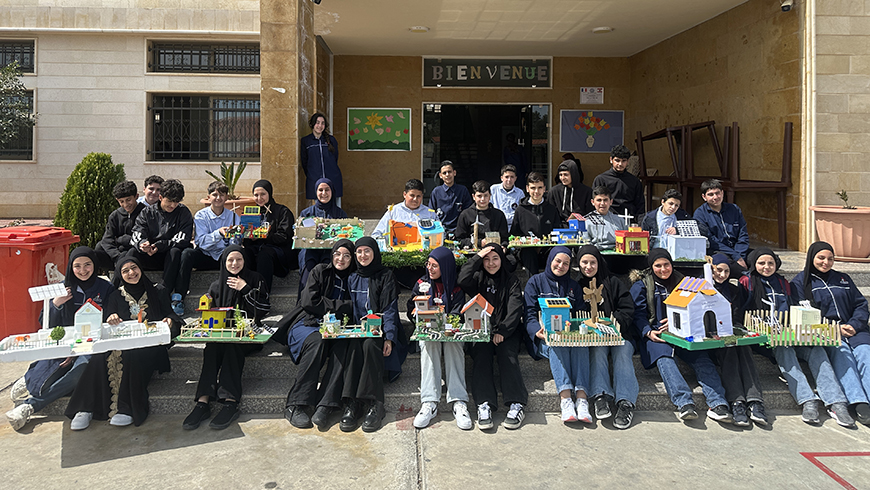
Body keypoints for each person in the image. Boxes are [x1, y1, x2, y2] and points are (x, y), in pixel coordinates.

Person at [739, 247, 854, 427]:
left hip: (789, 333)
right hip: (763, 337)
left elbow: (793, 308)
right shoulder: (747, 282)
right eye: (762, 263)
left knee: (817, 349)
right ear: (754, 264)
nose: (767, 267)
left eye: (770, 263)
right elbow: (741, 312)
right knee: (784, 348)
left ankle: (836, 402)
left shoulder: (783, 283)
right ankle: (807, 399)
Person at [63, 257, 182, 430]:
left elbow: (173, 316)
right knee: (99, 357)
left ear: (140, 268)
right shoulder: (116, 295)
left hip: (150, 348)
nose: (131, 273)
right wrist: (110, 317)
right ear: (120, 274)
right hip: (120, 345)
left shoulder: (158, 291)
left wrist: (169, 321)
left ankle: (127, 408)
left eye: (134, 268)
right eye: (125, 271)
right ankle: (84, 408)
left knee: (133, 354)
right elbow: (106, 322)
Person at [6, 247, 117, 431]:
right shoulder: (63, 287)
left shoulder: (105, 288)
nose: (83, 270)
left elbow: (109, 318)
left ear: (95, 265)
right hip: (63, 342)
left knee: (80, 371)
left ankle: (29, 406)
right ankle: (27, 377)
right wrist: (56, 303)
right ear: (71, 267)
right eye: (77, 266)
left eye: (88, 265)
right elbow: (45, 322)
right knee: (46, 376)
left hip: (91, 346)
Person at [630, 249, 734, 424]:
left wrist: (678, 321)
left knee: (701, 358)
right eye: (658, 266)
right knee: (665, 358)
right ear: (651, 267)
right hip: (657, 332)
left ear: (672, 265)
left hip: (684, 331)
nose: (663, 269)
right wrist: (647, 331)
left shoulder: (684, 282)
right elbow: (637, 313)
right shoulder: (642, 285)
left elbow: (698, 306)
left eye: (666, 265)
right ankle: (684, 402)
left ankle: (718, 403)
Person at [182, 245, 270, 430]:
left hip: (249, 336)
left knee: (232, 346)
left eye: (239, 259)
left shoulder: (255, 279)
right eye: (230, 260)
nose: (234, 263)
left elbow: (262, 310)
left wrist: (246, 289)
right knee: (212, 348)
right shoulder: (216, 285)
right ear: (224, 262)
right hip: (222, 335)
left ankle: (230, 402)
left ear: (245, 260)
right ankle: (203, 402)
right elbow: (209, 314)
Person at [793, 242, 870, 426]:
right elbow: (803, 315)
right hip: (826, 332)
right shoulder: (800, 282)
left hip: (854, 329)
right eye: (821, 258)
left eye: (830, 258)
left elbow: (860, 304)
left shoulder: (843, 278)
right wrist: (833, 328)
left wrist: (853, 324)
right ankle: (859, 402)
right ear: (812, 258)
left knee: (865, 353)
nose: (826, 262)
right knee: (842, 354)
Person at [282, 239, 355, 430]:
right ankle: (296, 404)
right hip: (308, 322)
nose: (341, 259)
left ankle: (325, 404)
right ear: (332, 255)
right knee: (317, 342)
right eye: (338, 254)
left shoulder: (354, 278)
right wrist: (344, 306)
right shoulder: (320, 270)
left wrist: (328, 304)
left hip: (338, 328)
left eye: (347, 255)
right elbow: (309, 302)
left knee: (343, 346)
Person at [458, 245, 527, 430]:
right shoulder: (478, 278)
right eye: (486, 259)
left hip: (507, 330)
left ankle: (516, 403)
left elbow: (515, 309)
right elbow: (462, 278)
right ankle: (484, 403)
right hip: (481, 329)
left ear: (502, 260)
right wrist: (477, 256)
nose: (491, 263)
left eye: (495, 258)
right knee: (481, 352)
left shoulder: (511, 280)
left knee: (507, 354)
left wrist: (502, 332)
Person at [339, 237, 405, 432]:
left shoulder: (385, 275)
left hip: (381, 330)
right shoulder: (352, 277)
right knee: (353, 346)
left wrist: (389, 338)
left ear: (375, 252)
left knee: (369, 344)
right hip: (358, 330)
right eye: (359, 252)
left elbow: (390, 309)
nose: (362, 255)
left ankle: (375, 403)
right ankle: (352, 403)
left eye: (367, 251)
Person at [524, 247, 592, 424]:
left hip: (569, 336)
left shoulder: (573, 286)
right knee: (557, 343)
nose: (561, 266)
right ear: (550, 260)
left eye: (566, 263)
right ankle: (566, 398)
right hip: (543, 339)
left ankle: (582, 399)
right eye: (557, 261)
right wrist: (535, 330)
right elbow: (529, 313)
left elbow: (580, 314)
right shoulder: (535, 282)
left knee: (581, 344)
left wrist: (577, 330)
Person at [576, 245, 639, 429]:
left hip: (620, 333)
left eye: (592, 262)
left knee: (622, 354)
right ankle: (600, 395)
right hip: (595, 337)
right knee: (597, 352)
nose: (588, 266)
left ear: (599, 262)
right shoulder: (578, 286)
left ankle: (625, 401)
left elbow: (627, 309)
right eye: (584, 262)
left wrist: (614, 324)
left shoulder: (614, 282)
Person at [409, 247, 471, 430]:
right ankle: (430, 402)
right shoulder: (421, 283)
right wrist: (421, 306)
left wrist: (443, 322)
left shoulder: (455, 287)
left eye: (435, 265)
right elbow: (410, 309)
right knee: (429, 342)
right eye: (428, 264)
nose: (430, 269)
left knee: (454, 344)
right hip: (429, 332)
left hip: (450, 331)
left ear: (445, 266)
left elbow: (458, 314)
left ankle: (459, 401)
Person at [708, 254, 768, 426]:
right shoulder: (703, 288)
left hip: (731, 333)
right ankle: (737, 401)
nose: (722, 274)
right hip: (711, 340)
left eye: (726, 271)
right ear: (712, 270)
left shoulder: (734, 289)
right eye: (719, 270)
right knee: (729, 348)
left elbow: (738, 316)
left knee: (742, 347)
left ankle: (755, 401)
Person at [176, 181, 240, 315]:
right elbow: (201, 242)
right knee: (187, 253)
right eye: (214, 194)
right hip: (206, 255)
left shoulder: (234, 217)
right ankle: (179, 297)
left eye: (222, 195)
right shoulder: (201, 215)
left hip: (225, 257)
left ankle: (232, 300)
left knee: (238, 255)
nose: (218, 198)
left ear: (227, 197)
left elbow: (235, 243)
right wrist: (219, 233)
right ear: (208, 197)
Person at [129, 178, 193, 296]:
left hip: (171, 258)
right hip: (150, 255)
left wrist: (160, 245)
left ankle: (165, 291)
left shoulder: (183, 212)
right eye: (170, 201)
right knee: (131, 253)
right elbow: (137, 232)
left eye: (177, 201)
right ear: (160, 198)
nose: (173, 205)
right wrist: (142, 244)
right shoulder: (147, 212)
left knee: (175, 251)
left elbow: (183, 238)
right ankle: (121, 290)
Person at [297, 178, 348, 299]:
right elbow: (301, 235)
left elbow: (345, 237)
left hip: (330, 251)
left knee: (327, 266)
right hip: (310, 250)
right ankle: (304, 304)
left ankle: (324, 305)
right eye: (320, 190)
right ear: (316, 191)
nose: (324, 193)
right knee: (309, 265)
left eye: (327, 190)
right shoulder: (307, 213)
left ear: (332, 192)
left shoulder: (340, 214)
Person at [243, 179, 296, 293]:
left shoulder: (282, 211)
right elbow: (247, 241)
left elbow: (284, 237)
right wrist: (247, 235)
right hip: (257, 250)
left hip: (278, 252)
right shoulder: (252, 212)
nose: (259, 198)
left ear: (269, 194)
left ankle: (262, 294)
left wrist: (265, 236)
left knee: (264, 254)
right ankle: (243, 292)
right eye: (256, 195)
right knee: (243, 253)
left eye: (263, 194)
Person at [693, 179, 750, 272]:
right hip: (718, 251)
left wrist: (740, 256)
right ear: (704, 197)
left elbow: (743, 234)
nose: (715, 197)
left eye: (717, 193)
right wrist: (736, 256)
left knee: (766, 257)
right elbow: (712, 241)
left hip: (739, 250)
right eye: (710, 194)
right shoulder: (700, 214)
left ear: (722, 193)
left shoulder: (734, 209)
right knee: (726, 264)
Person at [510, 171, 559, 274]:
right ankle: (533, 286)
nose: (536, 191)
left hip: (546, 249)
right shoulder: (521, 210)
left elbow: (557, 230)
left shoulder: (551, 209)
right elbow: (515, 234)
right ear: (527, 189)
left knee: (559, 251)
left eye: (540, 187)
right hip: (527, 251)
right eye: (533, 188)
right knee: (529, 253)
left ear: (544, 189)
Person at [95, 180, 146, 273]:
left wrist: (123, 240)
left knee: (132, 252)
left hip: (137, 253)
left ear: (136, 197)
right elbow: (107, 239)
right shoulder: (115, 215)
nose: (126, 204)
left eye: (128, 200)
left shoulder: (146, 213)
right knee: (98, 248)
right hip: (118, 254)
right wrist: (117, 256)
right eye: (121, 201)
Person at [641, 189, 709, 248]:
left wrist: (679, 229)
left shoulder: (681, 215)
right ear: (663, 202)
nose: (673, 207)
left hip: (677, 251)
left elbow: (703, 229)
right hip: (655, 251)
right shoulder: (650, 217)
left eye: (676, 205)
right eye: (670, 203)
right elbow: (643, 238)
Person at [372, 179, 438, 239]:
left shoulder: (430, 214)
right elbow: (376, 234)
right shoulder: (393, 212)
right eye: (412, 195)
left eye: (418, 196)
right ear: (404, 194)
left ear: (422, 196)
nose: (415, 199)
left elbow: (439, 234)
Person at [592, 145, 645, 218]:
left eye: (624, 161)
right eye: (617, 160)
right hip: (607, 220)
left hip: (629, 220)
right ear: (611, 160)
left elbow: (640, 206)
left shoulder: (635, 181)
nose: (620, 164)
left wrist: (639, 225)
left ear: (628, 161)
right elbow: (596, 204)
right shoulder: (601, 179)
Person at [301, 112, 342, 205]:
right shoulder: (306, 141)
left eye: (322, 123)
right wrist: (312, 173)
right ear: (312, 124)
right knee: (319, 211)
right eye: (317, 122)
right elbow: (304, 161)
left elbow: (335, 158)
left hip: (333, 178)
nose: (320, 125)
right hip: (315, 179)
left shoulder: (331, 140)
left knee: (336, 210)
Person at [455, 181, 509, 250]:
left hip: (494, 253)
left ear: (490, 196)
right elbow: (459, 239)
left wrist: (504, 247)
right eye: (479, 196)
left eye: (486, 195)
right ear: (473, 196)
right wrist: (478, 242)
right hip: (473, 254)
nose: (483, 199)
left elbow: (505, 238)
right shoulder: (465, 215)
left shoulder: (499, 215)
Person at [428, 160, 472, 232]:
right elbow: (431, 212)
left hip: (459, 229)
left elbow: (468, 211)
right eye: (444, 173)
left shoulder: (462, 190)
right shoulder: (436, 192)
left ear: (454, 173)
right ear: (440, 176)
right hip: (440, 229)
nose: (447, 175)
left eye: (449, 172)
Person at [547, 159, 593, 227]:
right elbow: (550, 213)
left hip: (581, 228)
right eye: (560, 175)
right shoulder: (554, 192)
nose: (563, 178)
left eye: (566, 174)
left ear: (573, 174)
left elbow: (590, 213)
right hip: (559, 228)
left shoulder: (587, 192)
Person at [583, 185, 626, 250]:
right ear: (593, 202)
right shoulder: (586, 221)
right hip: (596, 254)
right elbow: (585, 245)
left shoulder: (620, 220)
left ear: (611, 202)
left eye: (605, 200)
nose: (602, 203)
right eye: (599, 200)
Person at [489, 164, 525, 228]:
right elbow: (489, 207)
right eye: (506, 177)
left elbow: (522, 213)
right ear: (501, 178)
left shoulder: (520, 193)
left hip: (513, 227)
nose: (509, 180)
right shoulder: (493, 189)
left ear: (515, 178)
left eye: (512, 177)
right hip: (496, 226)